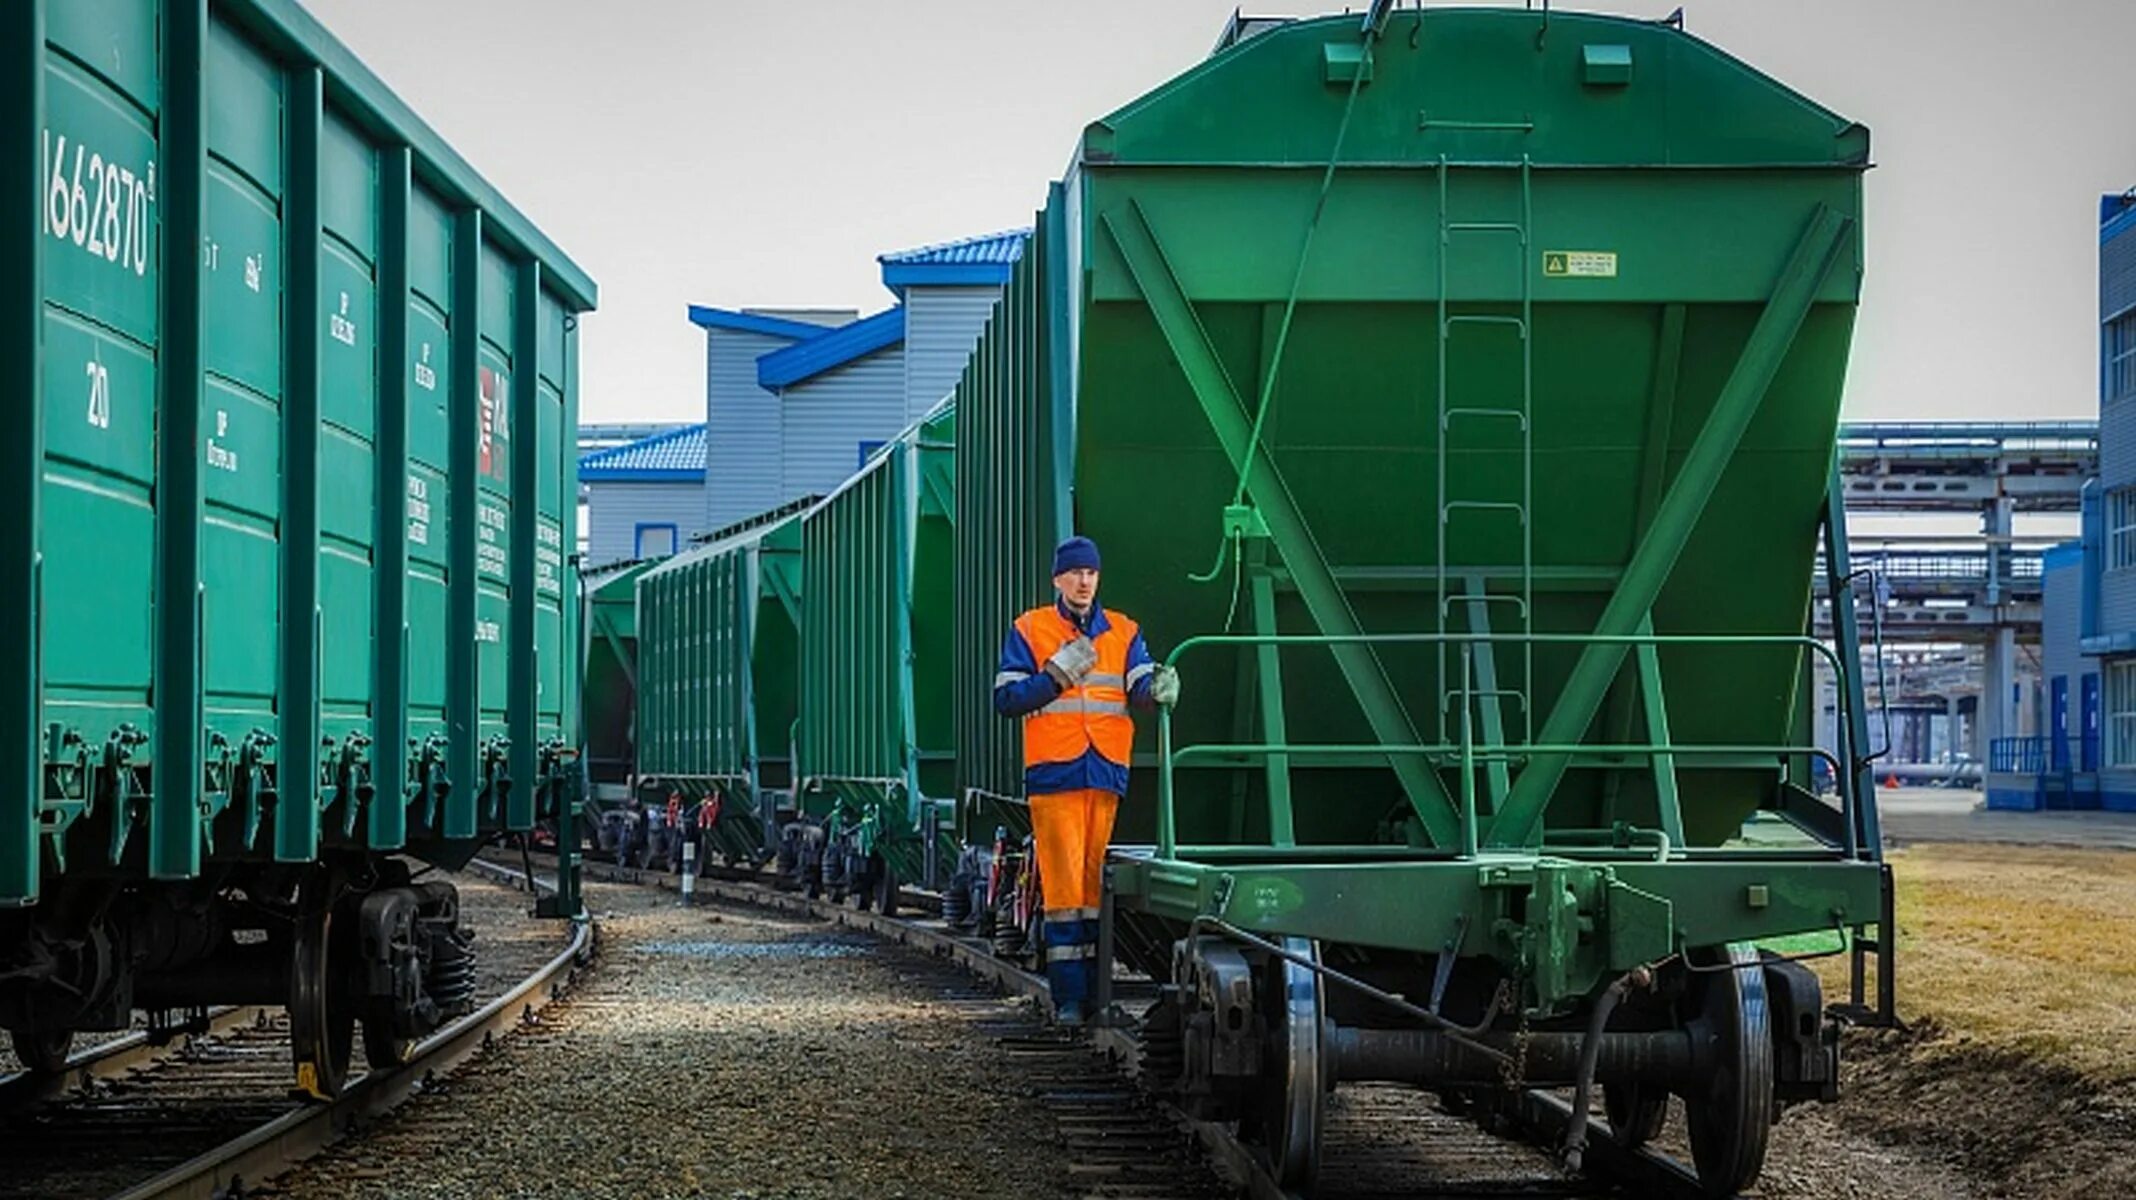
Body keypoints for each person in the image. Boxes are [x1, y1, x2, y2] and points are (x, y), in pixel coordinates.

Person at [993, 535, 1179, 1023]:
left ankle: (1095, 999)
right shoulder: (1030, 629)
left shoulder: (1123, 630)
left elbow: (1139, 684)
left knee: (1095, 889)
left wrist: (1157, 686)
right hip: (1055, 773)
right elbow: (1007, 699)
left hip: (1104, 771)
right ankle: (1071, 1000)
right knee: (1064, 892)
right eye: (1075, 573)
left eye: (1091, 573)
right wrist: (1054, 675)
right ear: (1058, 579)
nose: (1083, 581)